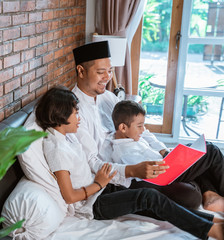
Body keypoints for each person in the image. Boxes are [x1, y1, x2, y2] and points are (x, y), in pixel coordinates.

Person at [35, 86, 224, 240]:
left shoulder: (68, 138)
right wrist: (99, 183)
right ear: (61, 114)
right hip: (95, 203)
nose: (79, 118)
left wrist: (104, 180)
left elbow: (91, 162)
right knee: (148, 197)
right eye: (76, 113)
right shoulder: (56, 149)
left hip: (103, 188)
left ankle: (209, 222)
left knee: (155, 203)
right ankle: (210, 230)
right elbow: (69, 196)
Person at [71, 40, 224, 212]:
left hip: (147, 162)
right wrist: (131, 170)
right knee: (191, 197)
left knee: (206, 151)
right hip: (126, 176)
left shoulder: (108, 97)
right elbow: (92, 162)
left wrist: (163, 151)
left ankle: (209, 192)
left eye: (110, 70)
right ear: (81, 71)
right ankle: (206, 191)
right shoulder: (74, 112)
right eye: (101, 72)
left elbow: (139, 128)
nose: (107, 77)